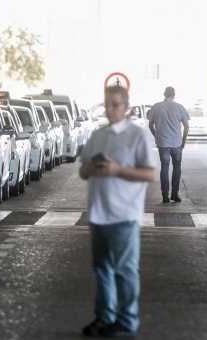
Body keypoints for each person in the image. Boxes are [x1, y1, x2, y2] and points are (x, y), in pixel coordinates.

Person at [79, 85, 157, 338]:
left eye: (115, 104)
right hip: (98, 212)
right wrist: (91, 169)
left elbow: (151, 174)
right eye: (107, 104)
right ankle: (105, 317)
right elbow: (82, 170)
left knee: (124, 270)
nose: (110, 109)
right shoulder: (98, 135)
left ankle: (127, 321)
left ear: (127, 107)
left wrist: (117, 170)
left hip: (124, 214)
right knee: (101, 268)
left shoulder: (138, 135)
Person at [148, 86, 189, 203]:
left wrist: (157, 136)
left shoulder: (156, 106)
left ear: (164, 94)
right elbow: (186, 125)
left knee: (164, 168)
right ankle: (174, 194)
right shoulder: (179, 107)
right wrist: (184, 140)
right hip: (177, 143)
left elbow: (150, 124)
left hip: (163, 143)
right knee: (177, 167)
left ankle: (165, 196)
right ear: (174, 95)